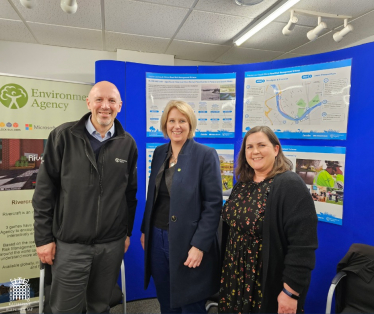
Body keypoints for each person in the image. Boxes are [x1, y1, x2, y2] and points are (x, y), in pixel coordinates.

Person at [32, 81, 138, 313]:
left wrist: (126, 233)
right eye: (99, 99)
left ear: (120, 105)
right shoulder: (63, 136)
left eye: (111, 101)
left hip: (110, 246)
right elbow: (44, 193)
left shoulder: (127, 144)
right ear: (88, 102)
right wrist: (43, 238)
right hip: (71, 247)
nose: (105, 106)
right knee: (65, 309)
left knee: (100, 307)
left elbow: (129, 195)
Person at [219, 126, 318, 314]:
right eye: (249, 147)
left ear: (275, 149)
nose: (255, 151)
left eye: (261, 145)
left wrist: (290, 292)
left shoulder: (290, 185)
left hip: (265, 283)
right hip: (235, 275)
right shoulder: (243, 184)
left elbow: (303, 246)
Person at [140, 100, 222, 313]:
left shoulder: (205, 154)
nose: (177, 126)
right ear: (165, 124)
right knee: (165, 299)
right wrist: (144, 230)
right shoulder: (159, 152)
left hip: (188, 240)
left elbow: (213, 205)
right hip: (157, 237)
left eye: (182, 121)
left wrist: (199, 245)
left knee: (190, 302)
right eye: (172, 120)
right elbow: (153, 195)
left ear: (190, 124)